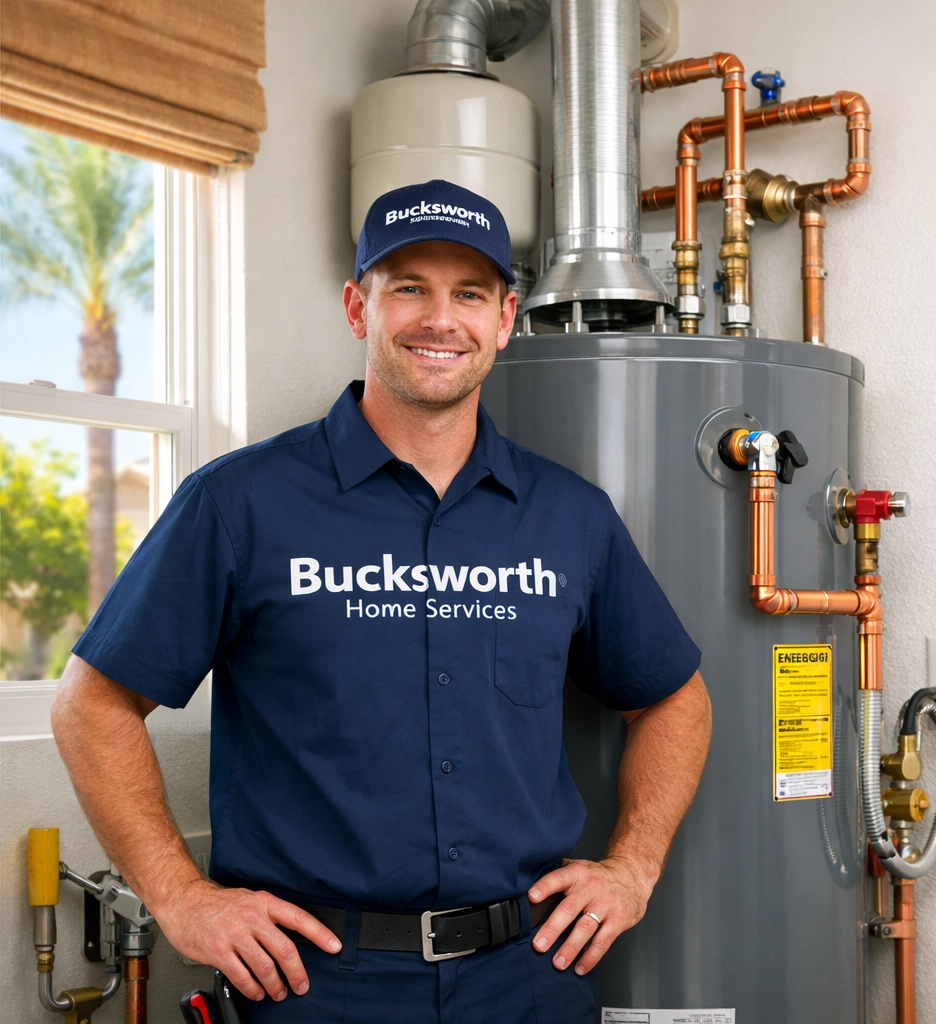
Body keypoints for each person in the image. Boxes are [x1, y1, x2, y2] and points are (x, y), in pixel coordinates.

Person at [51, 179, 712, 1022]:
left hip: (527, 979)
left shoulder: (570, 517)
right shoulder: (239, 504)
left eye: (469, 293)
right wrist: (180, 896)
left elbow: (674, 699)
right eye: (409, 288)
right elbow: (92, 703)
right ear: (359, 308)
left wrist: (634, 866)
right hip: (313, 985)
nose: (442, 319)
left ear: (504, 320)